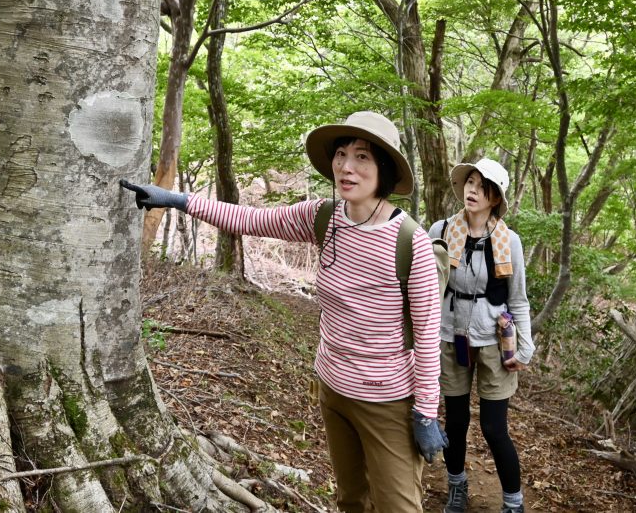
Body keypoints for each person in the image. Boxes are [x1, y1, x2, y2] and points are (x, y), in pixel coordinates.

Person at [121, 111, 447, 513]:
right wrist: (179, 200)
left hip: (388, 402)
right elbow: (250, 219)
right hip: (333, 389)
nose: (346, 167)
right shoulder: (323, 217)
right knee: (351, 501)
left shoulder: (410, 242)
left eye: (362, 157)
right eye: (341, 154)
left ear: (384, 168)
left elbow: (428, 335)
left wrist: (426, 412)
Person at [428, 159, 534, 513]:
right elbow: (424, 285)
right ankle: (457, 486)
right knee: (456, 421)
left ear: (495, 198)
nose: (472, 190)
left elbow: (518, 299)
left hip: (494, 341)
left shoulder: (509, 241)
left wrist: (525, 347)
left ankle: (513, 504)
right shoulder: (441, 230)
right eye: (469, 182)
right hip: (450, 335)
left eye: (482, 186)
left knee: (494, 427)